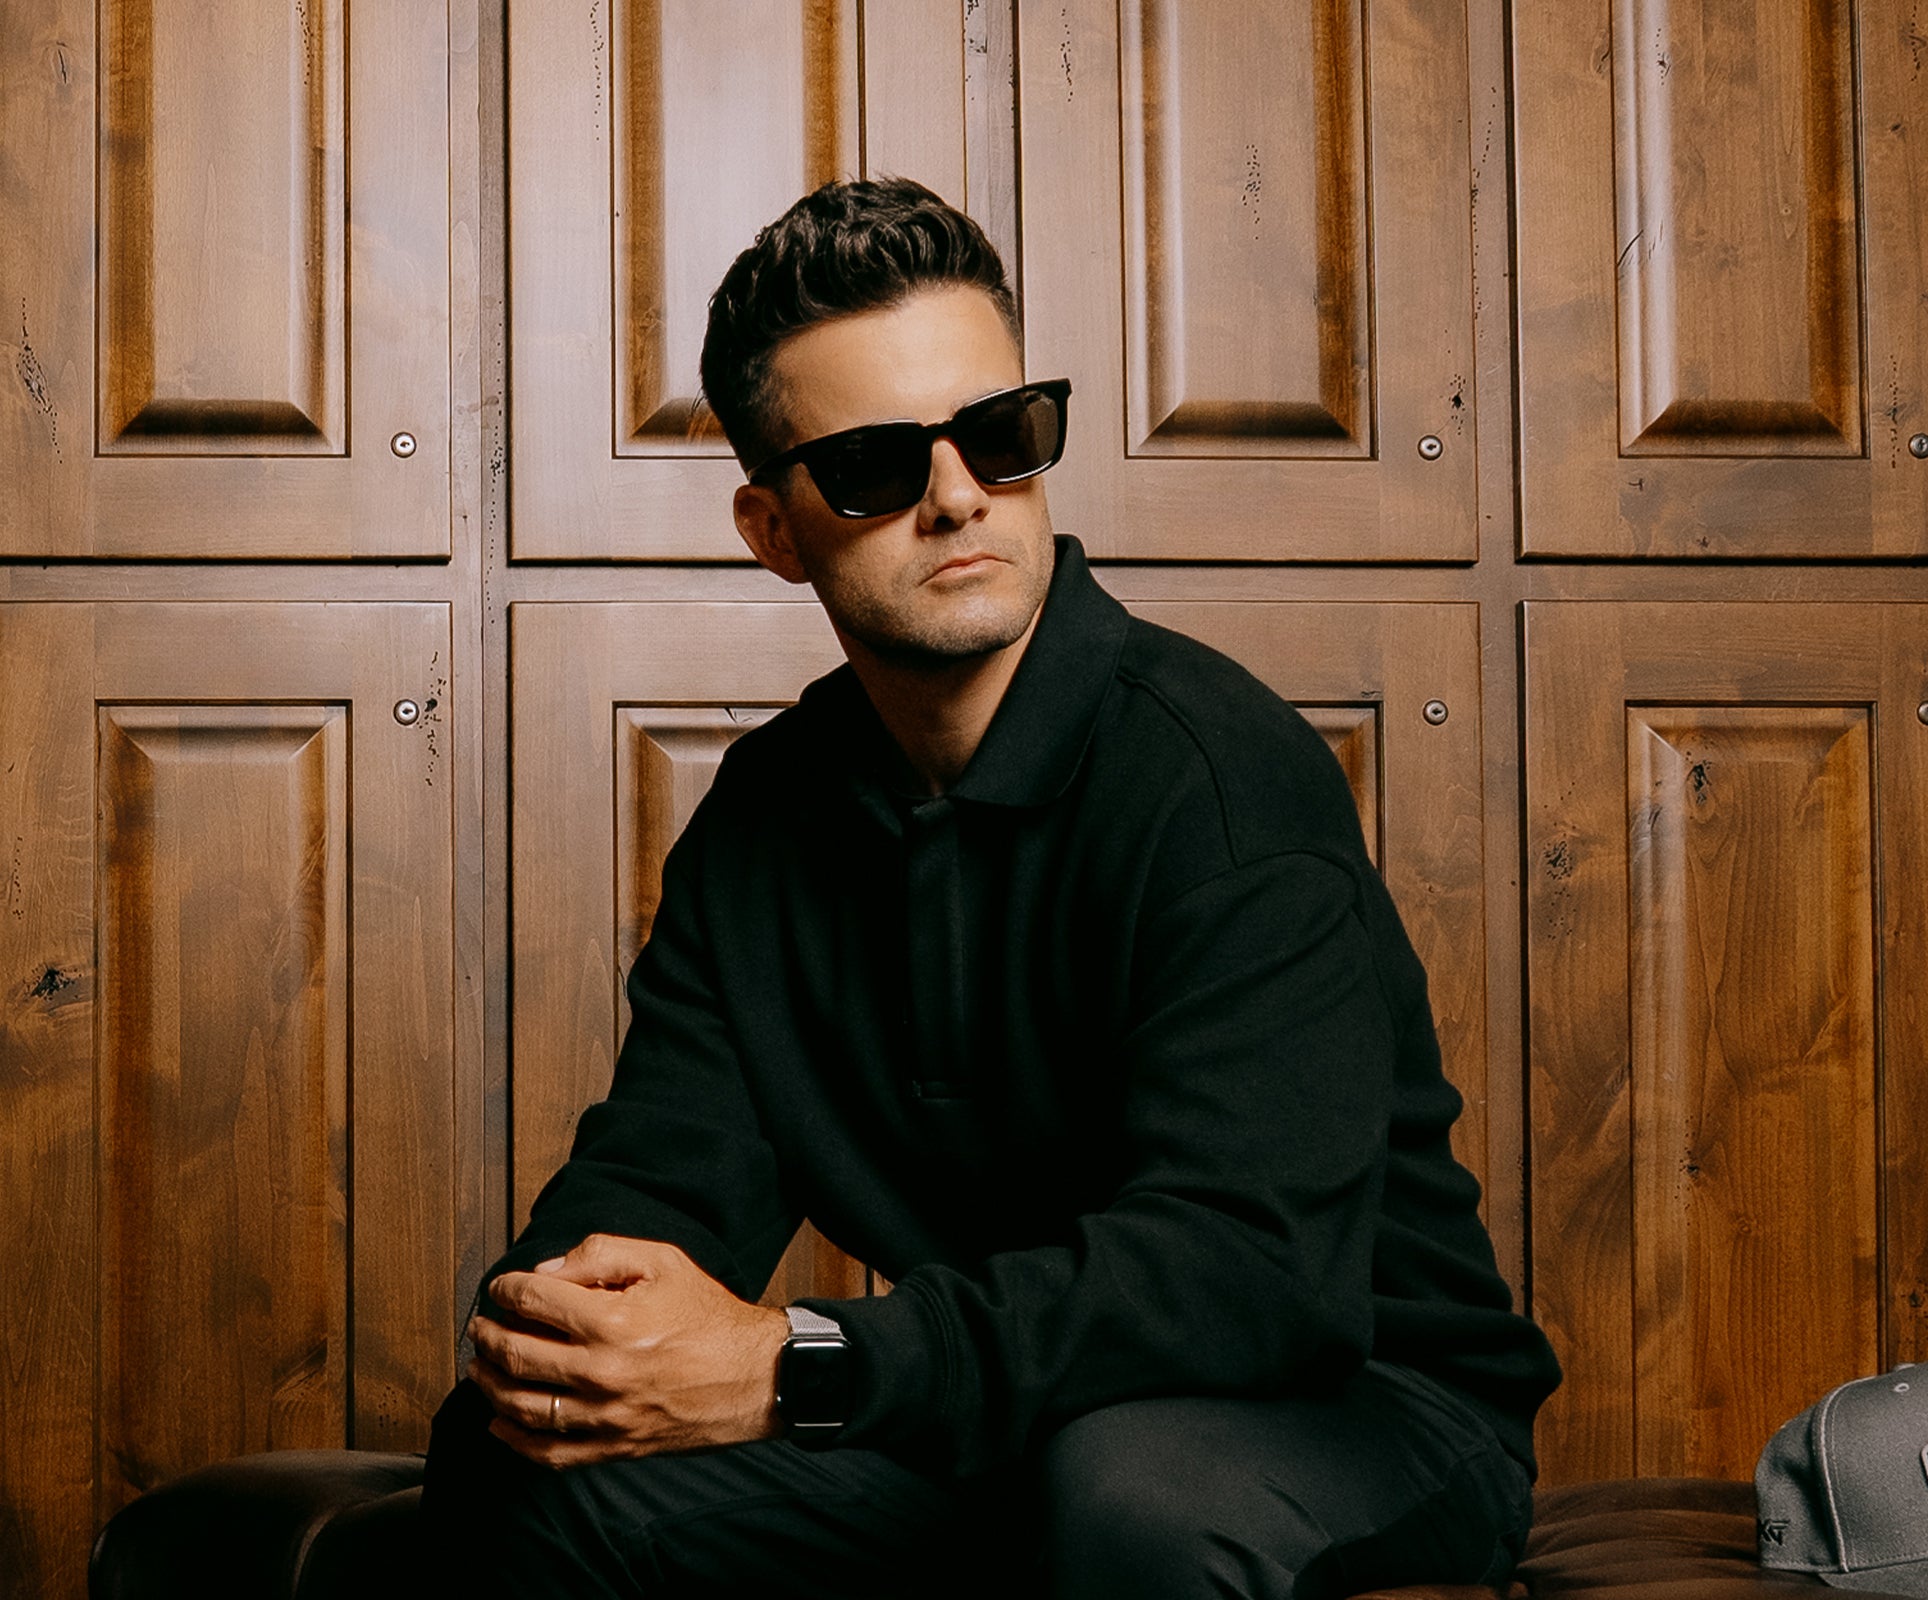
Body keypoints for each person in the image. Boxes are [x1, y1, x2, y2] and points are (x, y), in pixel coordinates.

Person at [421, 177, 1561, 1598]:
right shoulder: (766, 825)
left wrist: (799, 1364)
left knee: (1131, 1499)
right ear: (774, 529)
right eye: (879, 466)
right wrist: (564, 1347)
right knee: (509, 1465)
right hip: (1008, 1414)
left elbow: (1248, 1283)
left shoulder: (1219, 778)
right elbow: (649, 1197)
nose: (958, 495)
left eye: (1001, 438)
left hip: (1359, 1406)